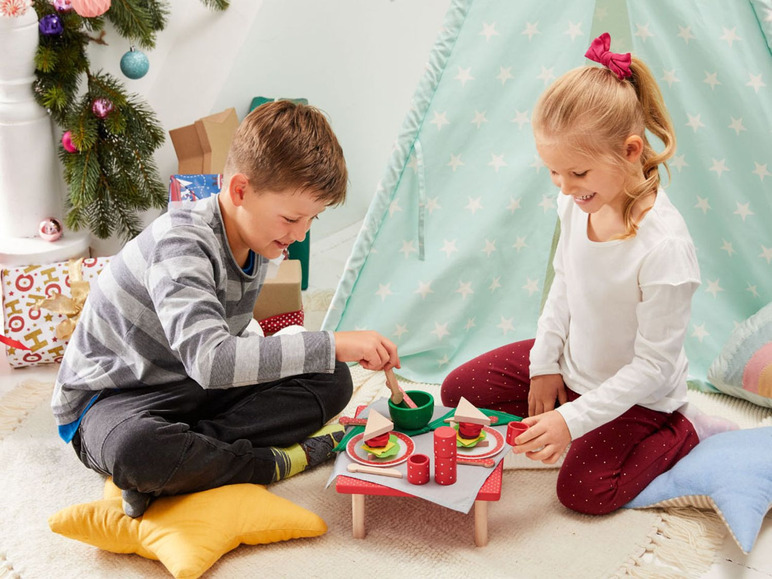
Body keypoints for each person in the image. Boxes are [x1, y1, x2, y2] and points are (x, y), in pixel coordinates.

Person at [52, 100, 400, 517]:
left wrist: (313, 356)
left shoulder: (256, 239)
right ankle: (273, 461)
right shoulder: (181, 242)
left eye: (312, 220)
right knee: (139, 450)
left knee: (333, 378)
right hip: (118, 397)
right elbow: (212, 361)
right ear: (240, 190)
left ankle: (192, 458)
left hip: (191, 384)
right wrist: (331, 342)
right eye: (291, 218)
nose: (301, 233)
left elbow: (225, 341)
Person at [440, 33, 734, 515]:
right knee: (457, 390)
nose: (565, 187)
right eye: (554, 172)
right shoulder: (576, 205)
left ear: (631, 151)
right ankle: (571, 400)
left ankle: (686, 430)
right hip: (576, 370)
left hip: (642, 398)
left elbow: (653, 368)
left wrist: (572, 422)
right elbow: (564, 284)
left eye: (577, 173)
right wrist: (544, 365)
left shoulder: (665, 248)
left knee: (582, 493)